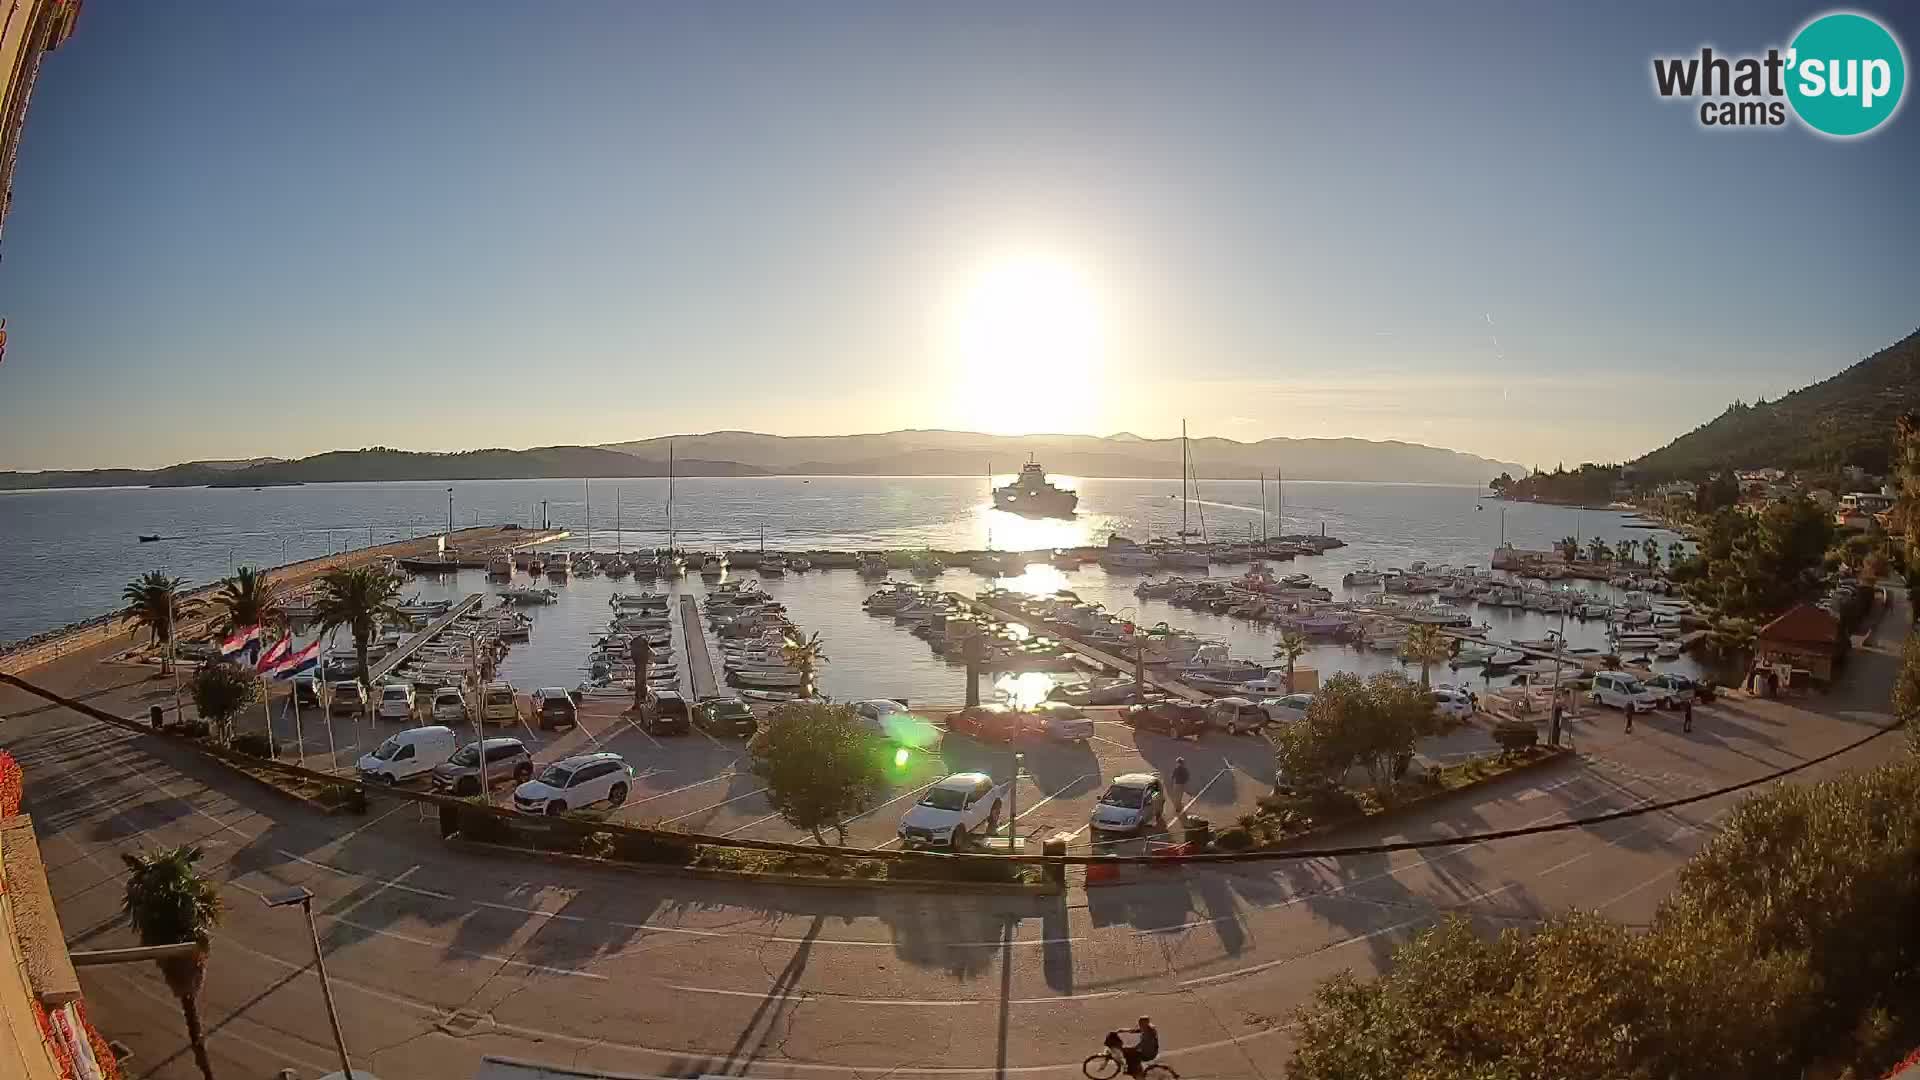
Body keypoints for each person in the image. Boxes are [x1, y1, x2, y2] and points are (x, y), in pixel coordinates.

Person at [1167, 758, 1190, 824]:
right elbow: (1187, 776)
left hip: (1177, 784)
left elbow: (1172, 776)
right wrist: (1185, 781)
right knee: (1180, 795)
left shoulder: (1176, 769)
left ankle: (1177, 806)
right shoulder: (1184, 769)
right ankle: (1178, 806)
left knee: (1176, 795)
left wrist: (1171, 782)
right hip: (1182, 784)